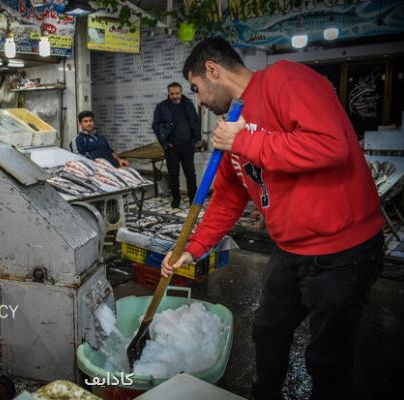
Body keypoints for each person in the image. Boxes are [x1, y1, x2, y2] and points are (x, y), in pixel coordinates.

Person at [161, 37, 384, 400]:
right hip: (290, 249)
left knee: (328, 360)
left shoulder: (286, 80)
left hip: (342, 250)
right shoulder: (232, 121)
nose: (198, 101)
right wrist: (193, 248)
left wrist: (245, 141)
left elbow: (331, 145)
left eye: (197, 89)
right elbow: (228, 199)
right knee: (267, 330)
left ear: (213, 69)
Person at [152, 82, 201, 208]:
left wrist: (195, 139)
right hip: (171, 148)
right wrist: (165, 143)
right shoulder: (161, 107)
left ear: (181, 92)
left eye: (177, 93)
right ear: (168, 93)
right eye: (172, 94)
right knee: (173, 175)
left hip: (188, 146)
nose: (175, 96)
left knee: (190, 174)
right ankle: (176, 200)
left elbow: (195, 121)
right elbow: (156, 126)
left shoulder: (189, 104)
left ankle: (193, 201)